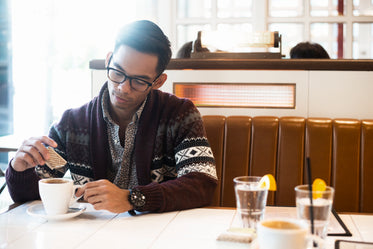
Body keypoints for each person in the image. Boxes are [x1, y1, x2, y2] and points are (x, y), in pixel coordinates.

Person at [6, 20, 218, 214]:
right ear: (109, 59)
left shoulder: (179, 115)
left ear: (158, 81)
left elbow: (202, 183)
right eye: (117, 72)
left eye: (138, 81)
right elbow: (31, 197)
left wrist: (134, 198)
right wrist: (20, 168)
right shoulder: (71, 125)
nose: (123, 88)